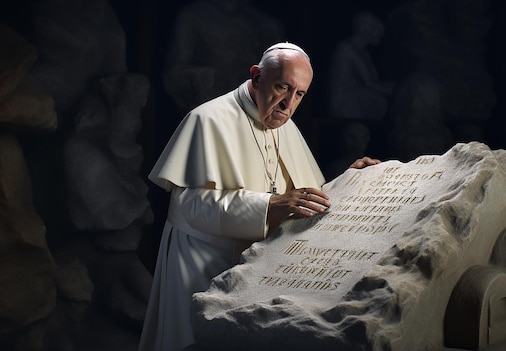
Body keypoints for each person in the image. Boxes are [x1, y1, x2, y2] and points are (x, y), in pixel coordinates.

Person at [139, 42, 380, 351]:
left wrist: (350, 180)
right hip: (203, 267)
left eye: (299, 95)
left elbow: (300, 197)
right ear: (256, 77)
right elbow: (188, 207)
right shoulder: (207, 119)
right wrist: (268, 206)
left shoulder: (286, 126)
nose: (288, 105)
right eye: (282, 87)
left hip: (261, 271)